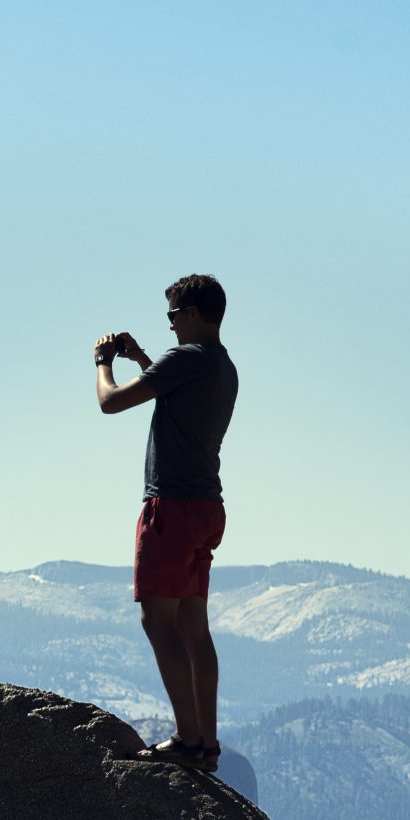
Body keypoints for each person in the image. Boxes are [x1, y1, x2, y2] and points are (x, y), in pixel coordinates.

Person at [93, 274, 238, 773]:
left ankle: (186, 738)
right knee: (194, 627)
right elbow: (173, 392)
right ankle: (207, 745)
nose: (171, 323)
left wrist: (103, 363)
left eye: (174, 315)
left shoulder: (186, 358)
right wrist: (141, 358)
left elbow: (110, 402)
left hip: (170, 507)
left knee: (157, 620)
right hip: (206, 508)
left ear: (194, 313)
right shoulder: (220, 364)